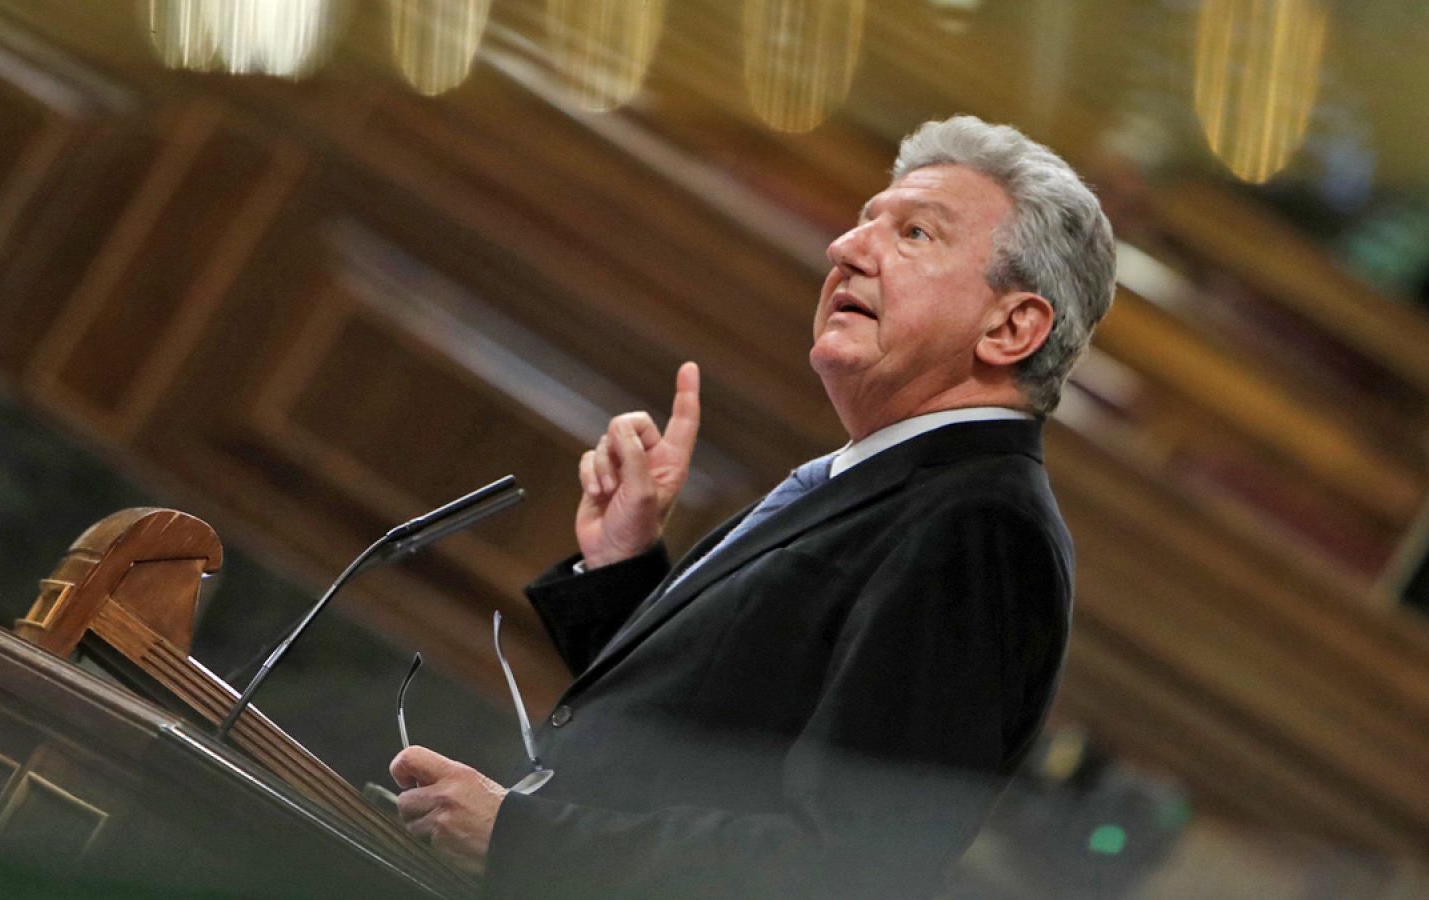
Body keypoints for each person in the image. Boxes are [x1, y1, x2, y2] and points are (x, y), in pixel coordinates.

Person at [390, 115, 1117, 898]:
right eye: (864, 220)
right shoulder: (885, 476)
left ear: (1012, 327)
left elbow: (846, 865)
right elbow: (720, 736)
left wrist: (527, 843)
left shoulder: (980, 530)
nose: (846, 248)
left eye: (913, 233)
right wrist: (623, 568)